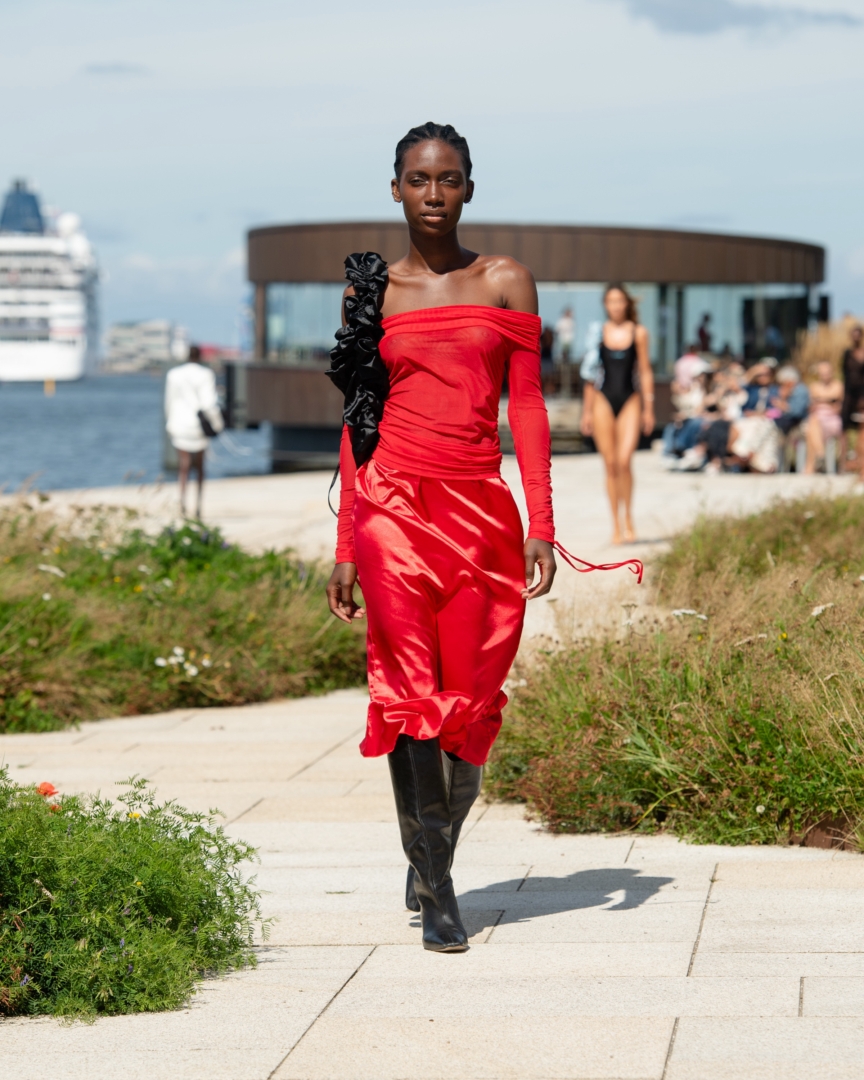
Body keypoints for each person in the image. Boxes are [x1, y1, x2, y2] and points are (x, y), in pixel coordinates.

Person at [325, 123, 557, 953]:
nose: (432, 193)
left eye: (448, 179)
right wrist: (350, 542)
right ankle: (443, 889)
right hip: (393, 508)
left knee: (468, 710)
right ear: (395, 189)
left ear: (468, 188)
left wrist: (542, 524)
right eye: (418, 179)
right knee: (411, 697)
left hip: (481, 514)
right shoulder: (369, 291)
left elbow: (525, 406)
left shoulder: (506, 282)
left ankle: (429, 853)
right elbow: (357, 428)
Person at [579, 285, 655, 543]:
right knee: (610, 465)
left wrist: (649, 408)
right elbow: (590, 375)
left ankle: (629, 518)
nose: (615, 306)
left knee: (624, 461)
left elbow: (644, 371)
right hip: (602, 399)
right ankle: (615, 525)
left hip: (630, 399)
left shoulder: (639, 332)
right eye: (611, 301)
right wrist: (586, 412)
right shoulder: (597, 334)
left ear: (626, 303)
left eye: (620, 301)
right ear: (605, 304)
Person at [164, 344, 223, 519]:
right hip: (198, 426)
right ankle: (198, 505)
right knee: (200, 468)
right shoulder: (206, 374)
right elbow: (209, 403)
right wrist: (217, 424)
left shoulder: (173, 374)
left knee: (183, 466)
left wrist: (169, 422)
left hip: (179, 423)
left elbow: (169, 401)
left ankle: (182, 502)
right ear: (200, 356)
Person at [804, 360, 843, 474]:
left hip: (833, 420)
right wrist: (829, 401)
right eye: (823, 373)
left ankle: (812, 465)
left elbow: (839, 407)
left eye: (827, 372)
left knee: (811, 429)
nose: (825, 375)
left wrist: (821, 401)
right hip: (817, 419)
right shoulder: (814, 386)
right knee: (813, 424)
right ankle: (820, 455)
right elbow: (811, 407)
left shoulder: (838, 385)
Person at [841, 324, 864, 479]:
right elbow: (844, 375)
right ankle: (843, 464)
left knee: (862, 429)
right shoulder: (847, 354)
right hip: (849, 395)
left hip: (862, 395)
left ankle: (861, 464)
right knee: (845, 429)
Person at [768, 366, 809, 436]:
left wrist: (782, 405)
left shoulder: (801, 390)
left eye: (783, 382)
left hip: (797, 421)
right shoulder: (785, 390)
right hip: (785, 420)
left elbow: (797, 412)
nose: (781, 385)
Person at [555, 306, 575, 396]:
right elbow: (557, 331)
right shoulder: (562, 321)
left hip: (568, 344)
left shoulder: (571, 321)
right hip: (563, 343)